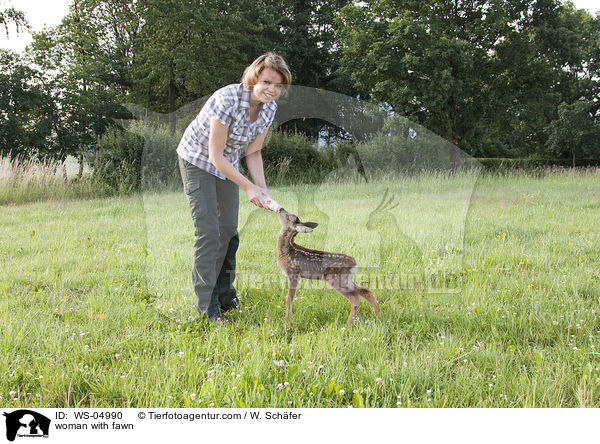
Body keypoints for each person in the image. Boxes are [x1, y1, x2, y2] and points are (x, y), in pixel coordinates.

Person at [177, 52, 292, 324]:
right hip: (198, 160)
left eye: (278, 86)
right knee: (208, 232)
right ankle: (207, 311)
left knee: (228, 232)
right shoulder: (227, 99)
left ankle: (226, 297)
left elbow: (253, 152)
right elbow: (214, 156)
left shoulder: (269, 109)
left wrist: (261, 188)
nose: (272, 90)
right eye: (267, 82)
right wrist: (248, 186)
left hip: (226, 163)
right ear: (254, 78)